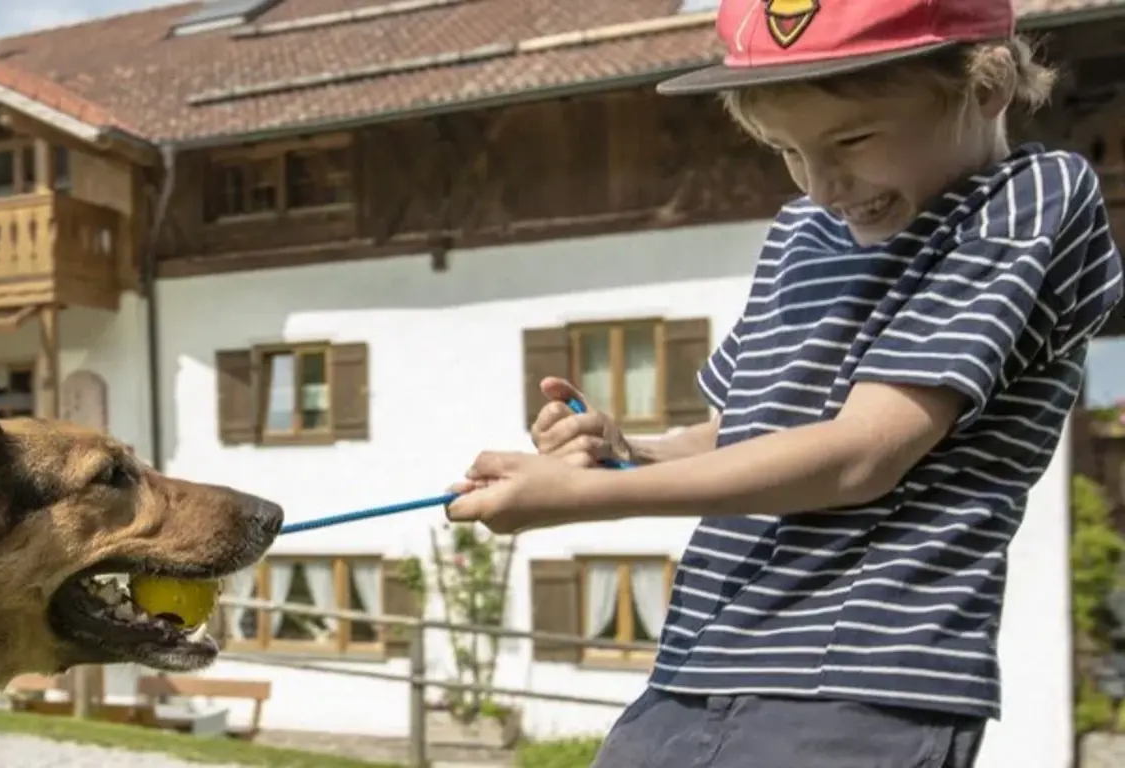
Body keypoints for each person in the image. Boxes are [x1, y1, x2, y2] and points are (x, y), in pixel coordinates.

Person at [444, 0, 1124, 765]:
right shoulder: (804, 231)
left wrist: (587, 500)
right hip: (701, 656)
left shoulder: (1027, 200)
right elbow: (745, 431)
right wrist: (629, 453)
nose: (825, 185)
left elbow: (861, 454)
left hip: (858, 683)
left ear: (988, 84)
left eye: (854, 140)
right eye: (787, 151)